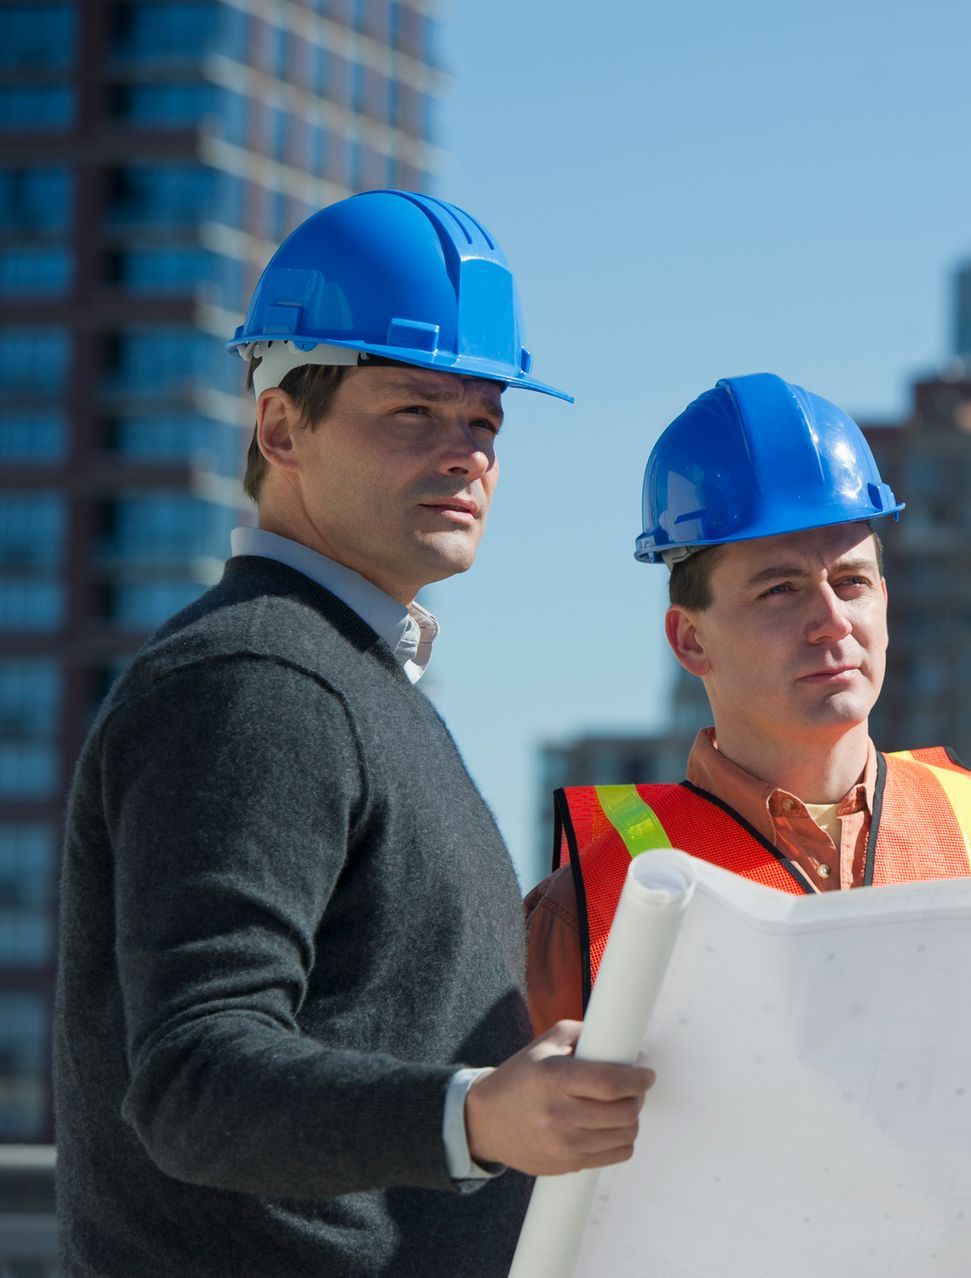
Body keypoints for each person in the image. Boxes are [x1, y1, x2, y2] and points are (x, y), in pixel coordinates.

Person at [54, 191, 655, 1277]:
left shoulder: (350, 683)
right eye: (414, 413)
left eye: (485, 421)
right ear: (282, 427)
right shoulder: (259, 680)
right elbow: (194, 1082)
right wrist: (478, 1116)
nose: (467, 453)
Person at [524, 373, 971, 1031]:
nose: (832, 621)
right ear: (690, 639)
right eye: (780, 590)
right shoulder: (592, 905)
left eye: (852, 582)